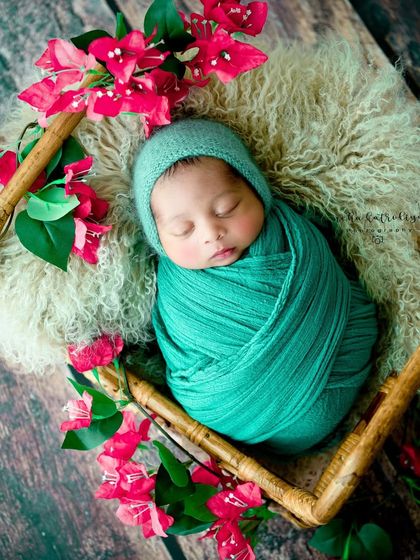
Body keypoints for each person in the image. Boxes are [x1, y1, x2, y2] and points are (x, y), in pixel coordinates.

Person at [132, 118, 378, 456]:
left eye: (227, 209)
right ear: (159, 240)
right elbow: (186, 370)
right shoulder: (177, 292)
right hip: (237, 417)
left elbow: (346, 288)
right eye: (183, 230)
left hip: (338, 370)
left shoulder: (293, 237)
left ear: (255, 188)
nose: (211, 233)